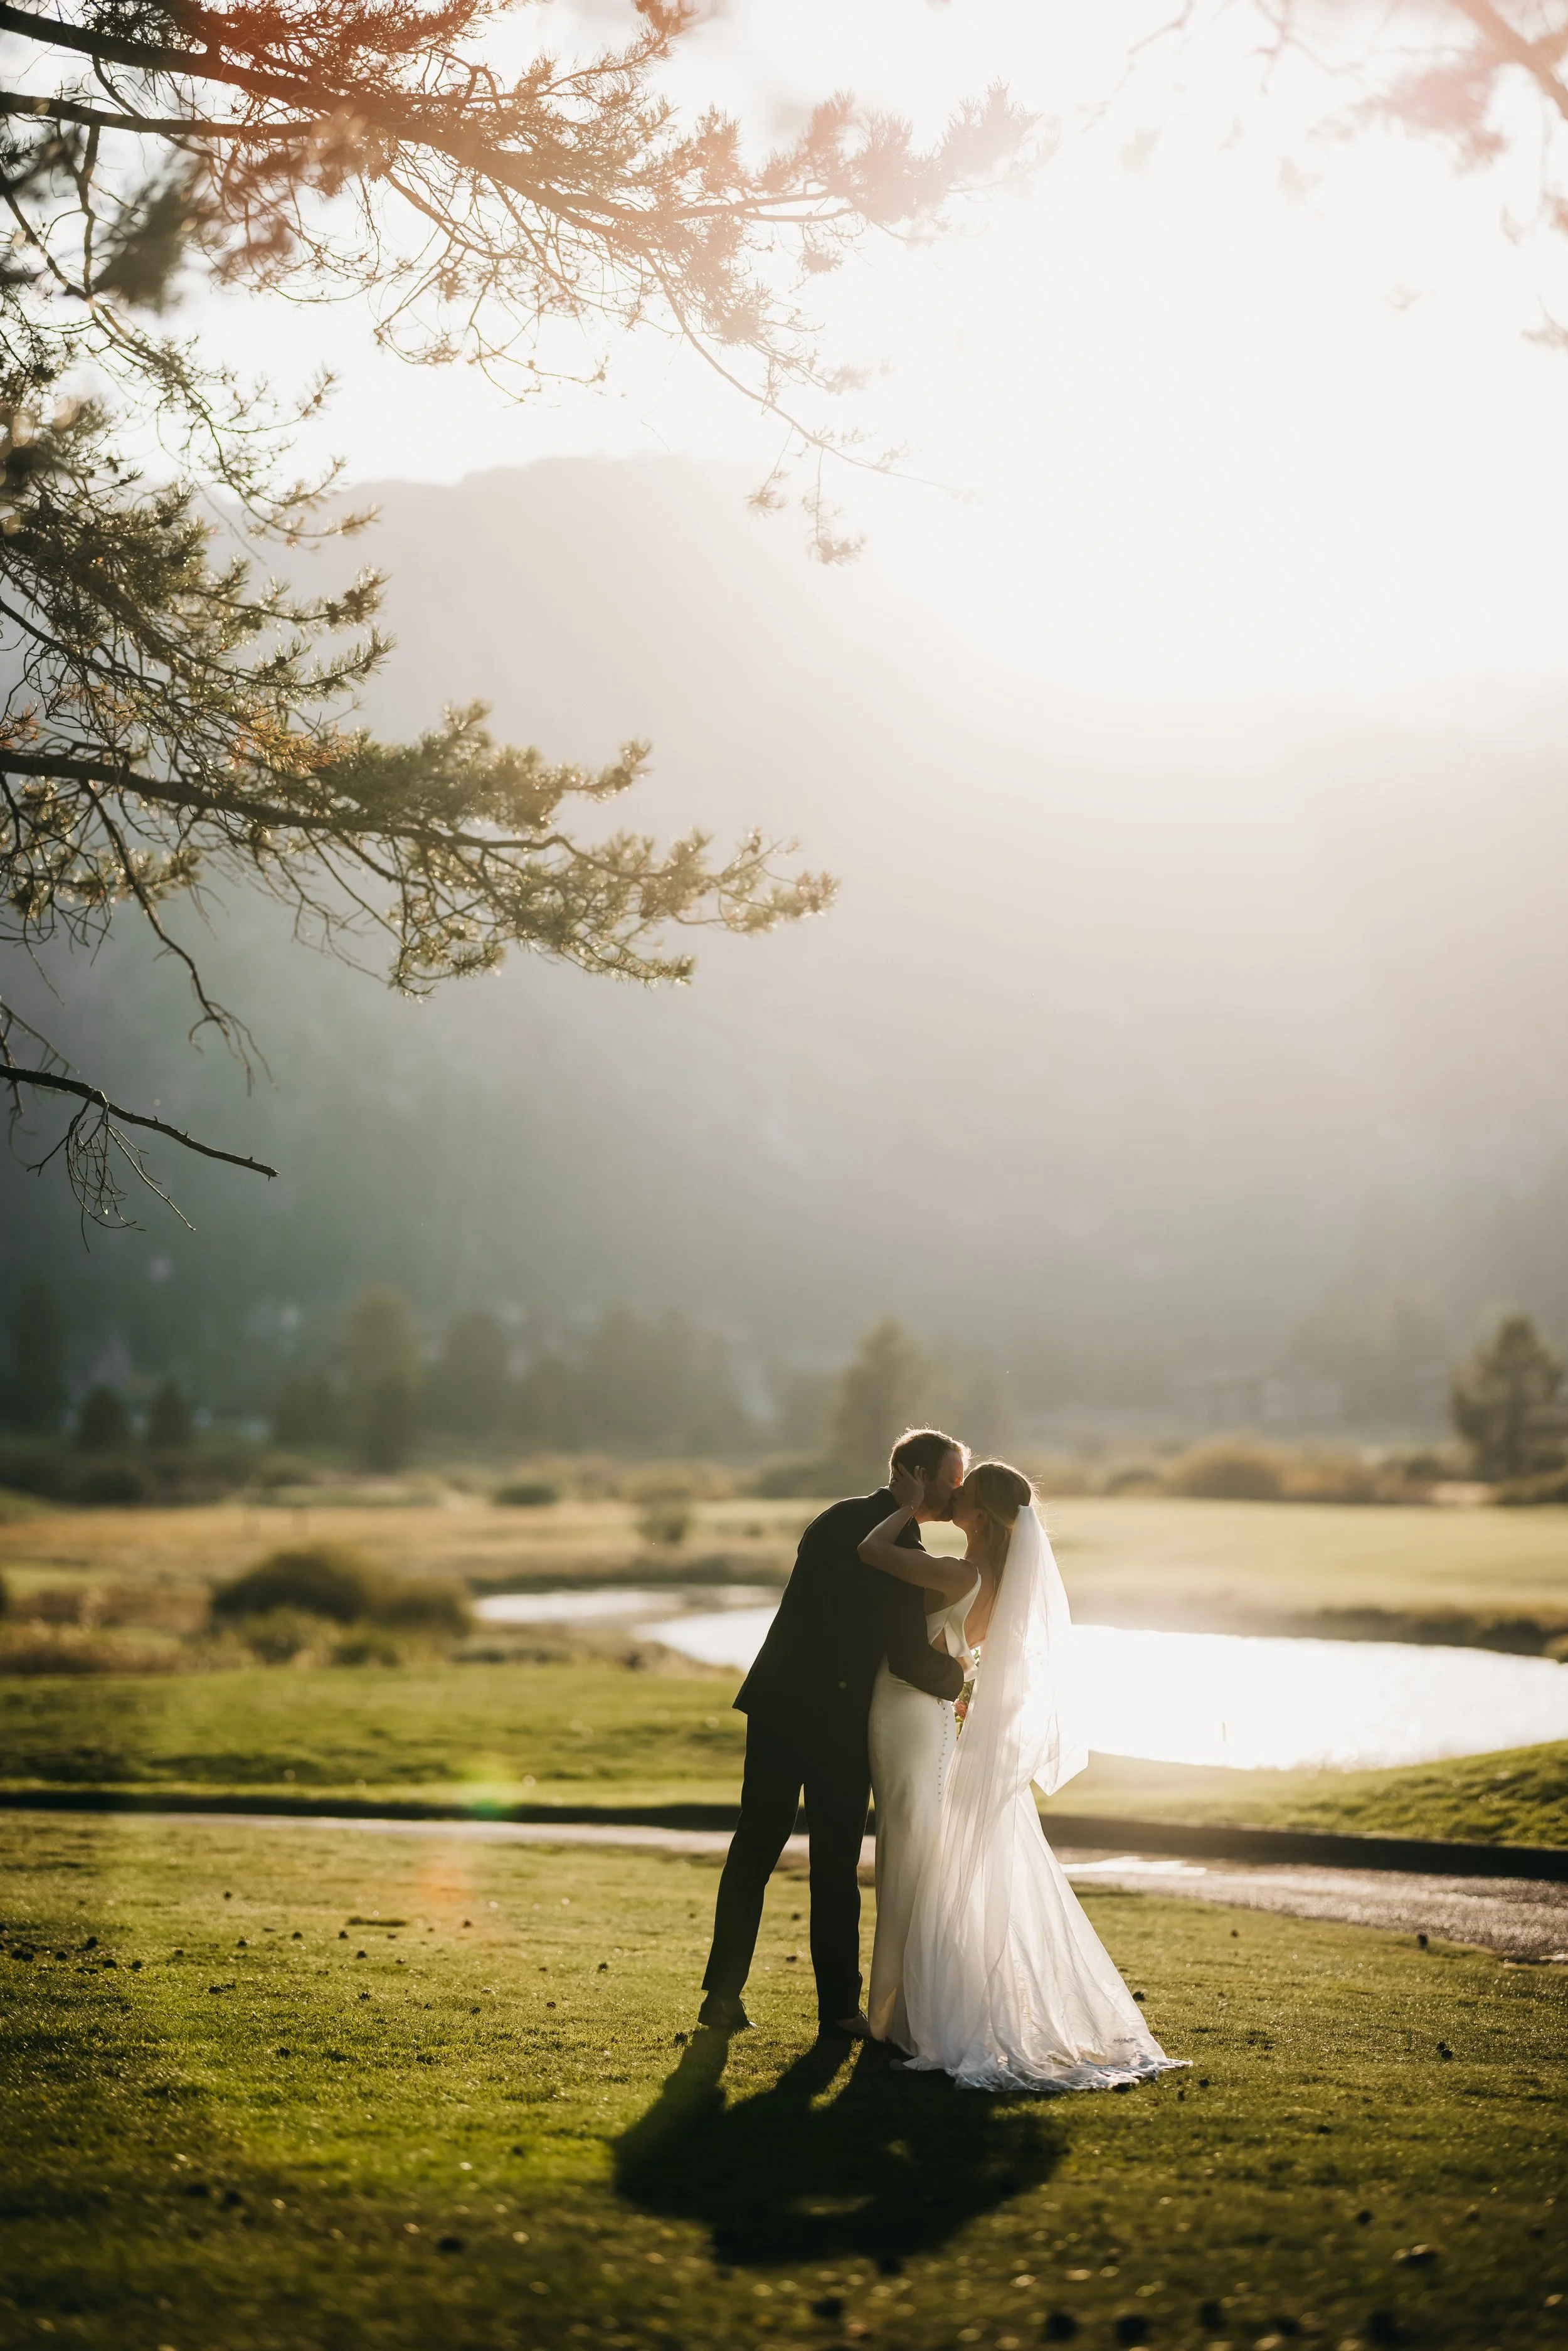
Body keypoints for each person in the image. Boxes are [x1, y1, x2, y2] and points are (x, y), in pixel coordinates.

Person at [862, 1460, 1185, 2093]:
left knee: (920, 1856)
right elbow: (958, 1651)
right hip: (936, 1719)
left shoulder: (961, 1572)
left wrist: (903, 1504)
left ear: (978, 1515)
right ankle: (915, 2007)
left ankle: (903, 2013)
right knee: (941, 1859)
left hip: (911, 1714)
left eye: (965, 1493)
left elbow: (870, 1551)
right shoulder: (1003, 1582)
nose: (953, 1496)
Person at [696, 1429, 970, 2039]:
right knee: (834, 1866)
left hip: (775, 1704)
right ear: (920, 1474)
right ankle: (839, 2012)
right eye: (953, 1480)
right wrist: (964, 1681)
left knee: (755, 1847)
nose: (959, 1493)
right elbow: (904, 1656)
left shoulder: (836, 1517)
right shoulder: (897, 1536)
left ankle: (721, 1994)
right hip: (836, 1722)